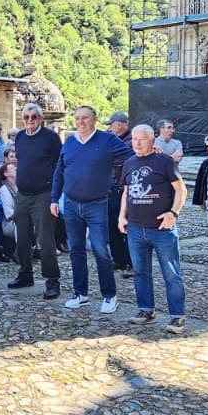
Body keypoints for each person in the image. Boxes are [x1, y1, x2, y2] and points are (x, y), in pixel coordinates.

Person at [53, 106, 134, 314]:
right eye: (77, 118)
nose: (81, 122)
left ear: (95, 119)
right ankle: (80, 294)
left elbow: (132, 156)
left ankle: (109, 295)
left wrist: (152, 153)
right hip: (71, 203)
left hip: (96, 204)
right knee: (76, 250)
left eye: (85, 118)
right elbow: (60, 170)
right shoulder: (70, 142)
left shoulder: (107, 140)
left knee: (100, 250)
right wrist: (54, 198)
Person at [119, 124, 188, 335]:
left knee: (171, 273)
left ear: (152, 140)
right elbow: (126, 192)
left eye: (142, 139)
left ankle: (177, 315)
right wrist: (122, 216)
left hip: (162, 229)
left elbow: (181, 189)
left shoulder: (164, 161)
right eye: (134, 139)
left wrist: (173, 213)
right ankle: (146, 310)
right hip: (136, 229)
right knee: (140, 272)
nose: (137, 143)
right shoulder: (129, 163)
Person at [8, 102, 62, 299]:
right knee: (22, 237)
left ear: (40, 118)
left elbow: (60, 164)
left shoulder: (51, 137)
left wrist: (56, 192)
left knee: (45, 239)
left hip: (43, 194)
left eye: (34, 116)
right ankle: (25, 274)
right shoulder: (20, 137)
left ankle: (52, 280)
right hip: (23, 194)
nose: (30, 120)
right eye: (26, 117)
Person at [103, 111, 134, 276]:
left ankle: (131, 262)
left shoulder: (131, 142)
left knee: (126, 226)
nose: (109, 128)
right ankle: (118, 259)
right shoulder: (112, 140)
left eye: (111, 125)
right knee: (112, 226)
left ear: (119, 125)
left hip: (122, 189)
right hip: (109, 188)